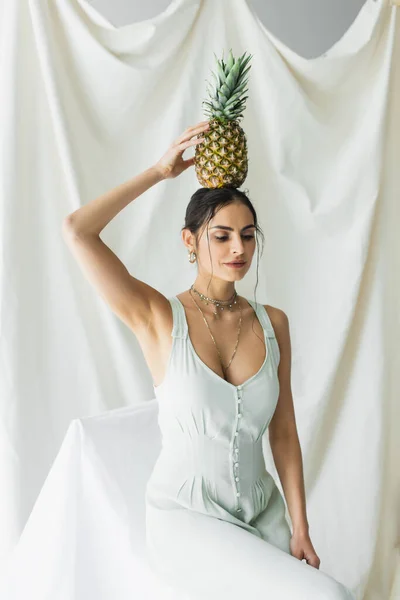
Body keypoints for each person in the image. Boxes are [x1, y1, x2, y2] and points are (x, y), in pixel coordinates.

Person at [62, 121, 356, 599]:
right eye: (220, 237)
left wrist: (300, 528)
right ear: (189, 240)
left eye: (247, 235)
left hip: (264, 515)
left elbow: (283, 432)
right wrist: (159, 172)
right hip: (186, 519)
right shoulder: (158, 317)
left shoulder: (272, 323)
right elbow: (77, 231)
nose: (238, 249)